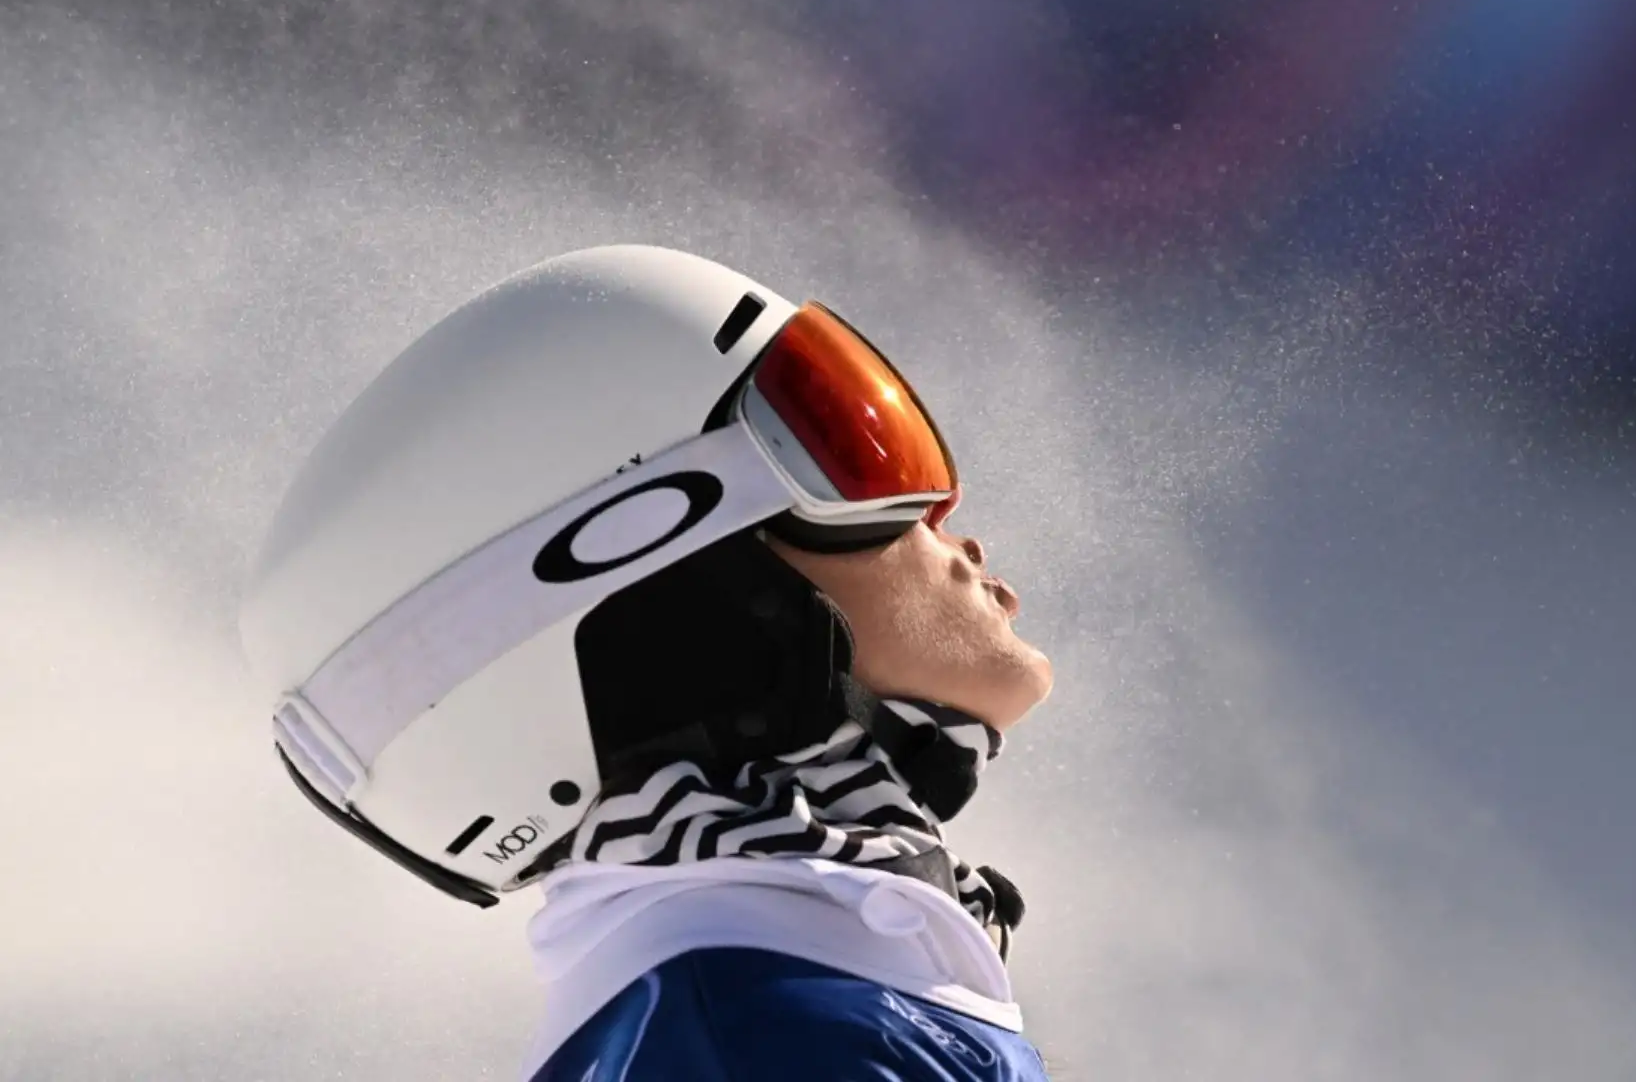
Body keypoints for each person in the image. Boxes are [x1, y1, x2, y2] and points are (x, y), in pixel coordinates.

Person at [238, 245, 1057, 1080]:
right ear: (680, 588)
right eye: (852, 445)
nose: (948, 513)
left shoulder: (788, 998)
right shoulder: (770, 1045)